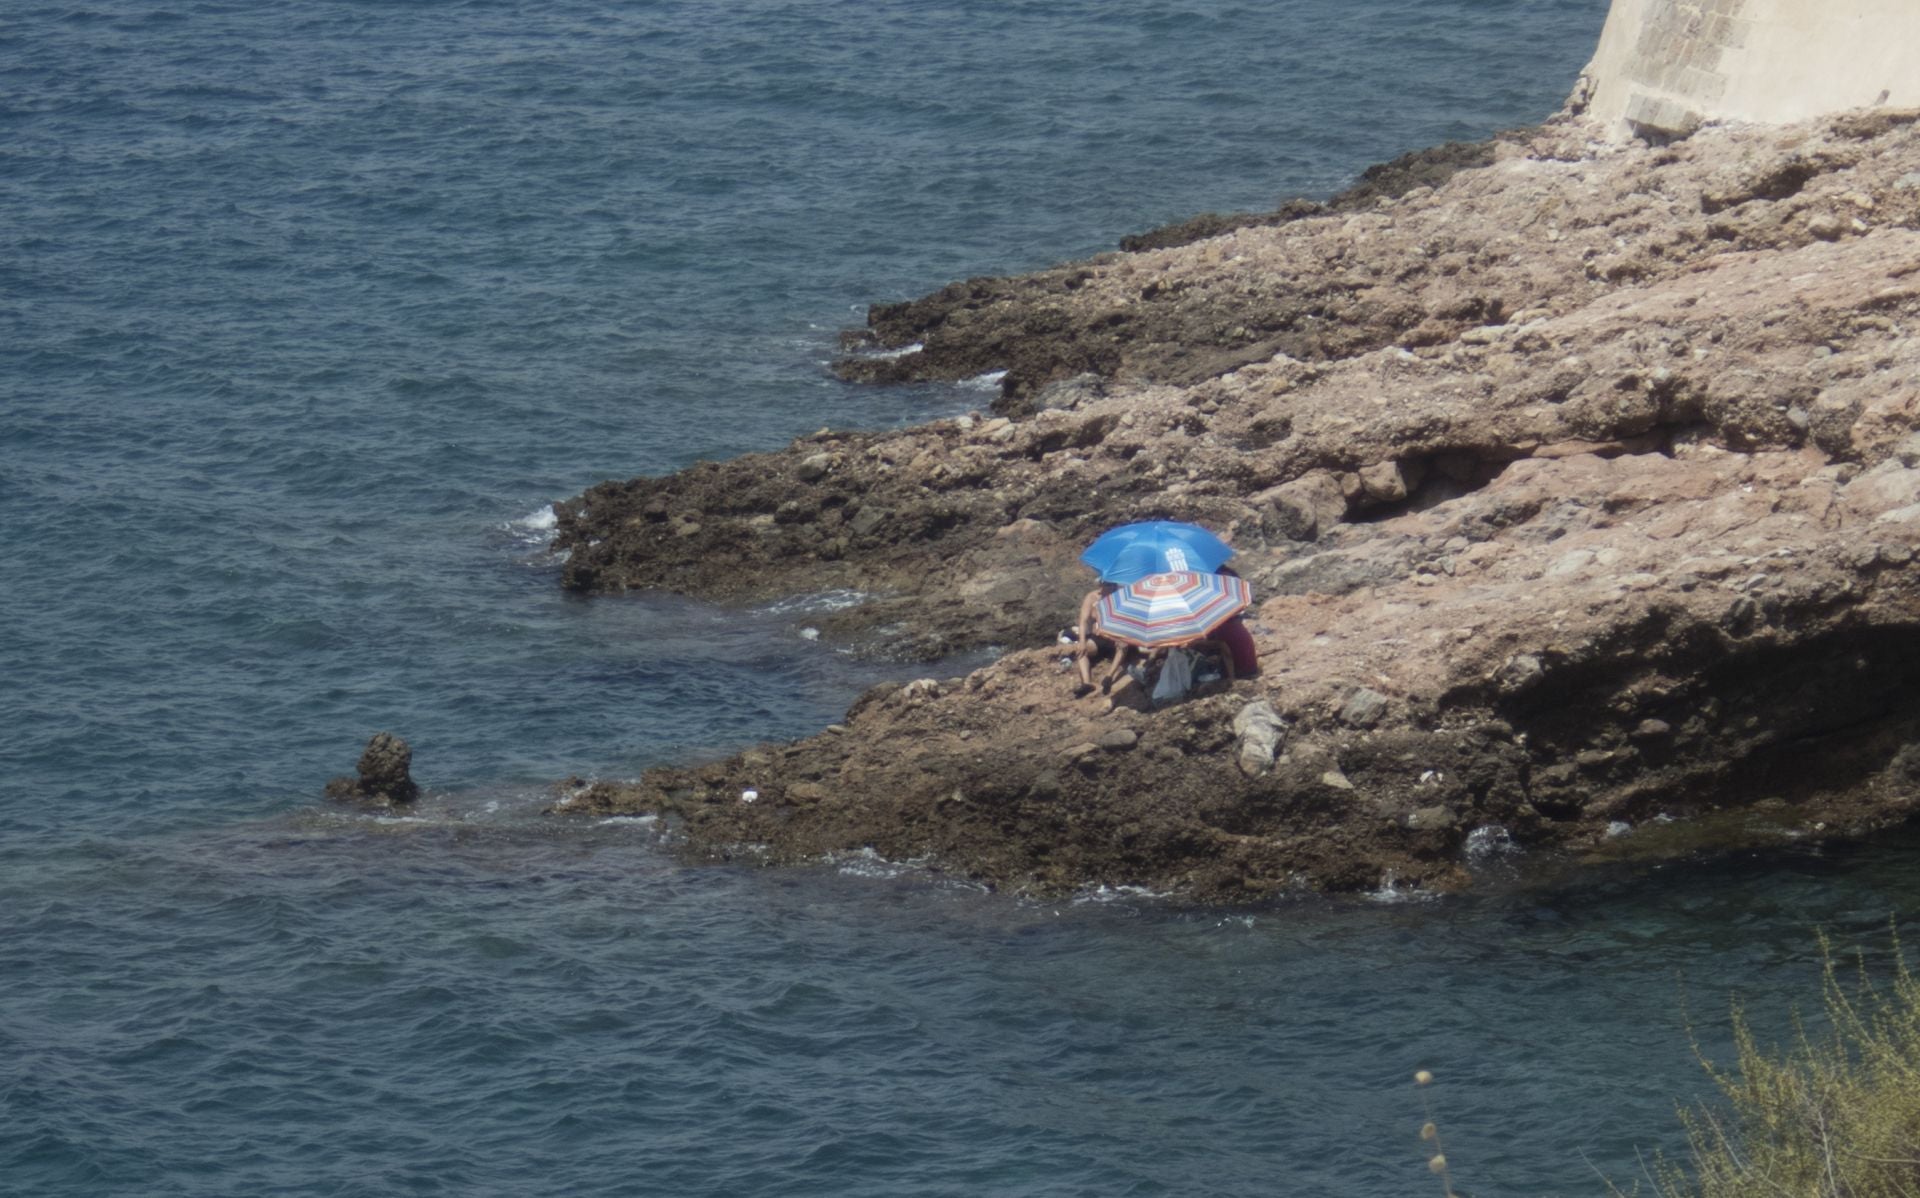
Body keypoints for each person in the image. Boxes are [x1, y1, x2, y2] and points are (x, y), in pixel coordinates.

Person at [1067, 582, 1126, 698]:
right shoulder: (1092, 597)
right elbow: (1083, 621)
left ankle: (1109, 676)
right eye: (1107, 585)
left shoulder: (1120, 597)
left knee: (1124, 646)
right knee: (1082, 650)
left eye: (1112, 585)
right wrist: (1082, 641)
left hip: (1115, 636)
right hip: (1098, 637)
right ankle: (1086, 683)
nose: (1110, 587)